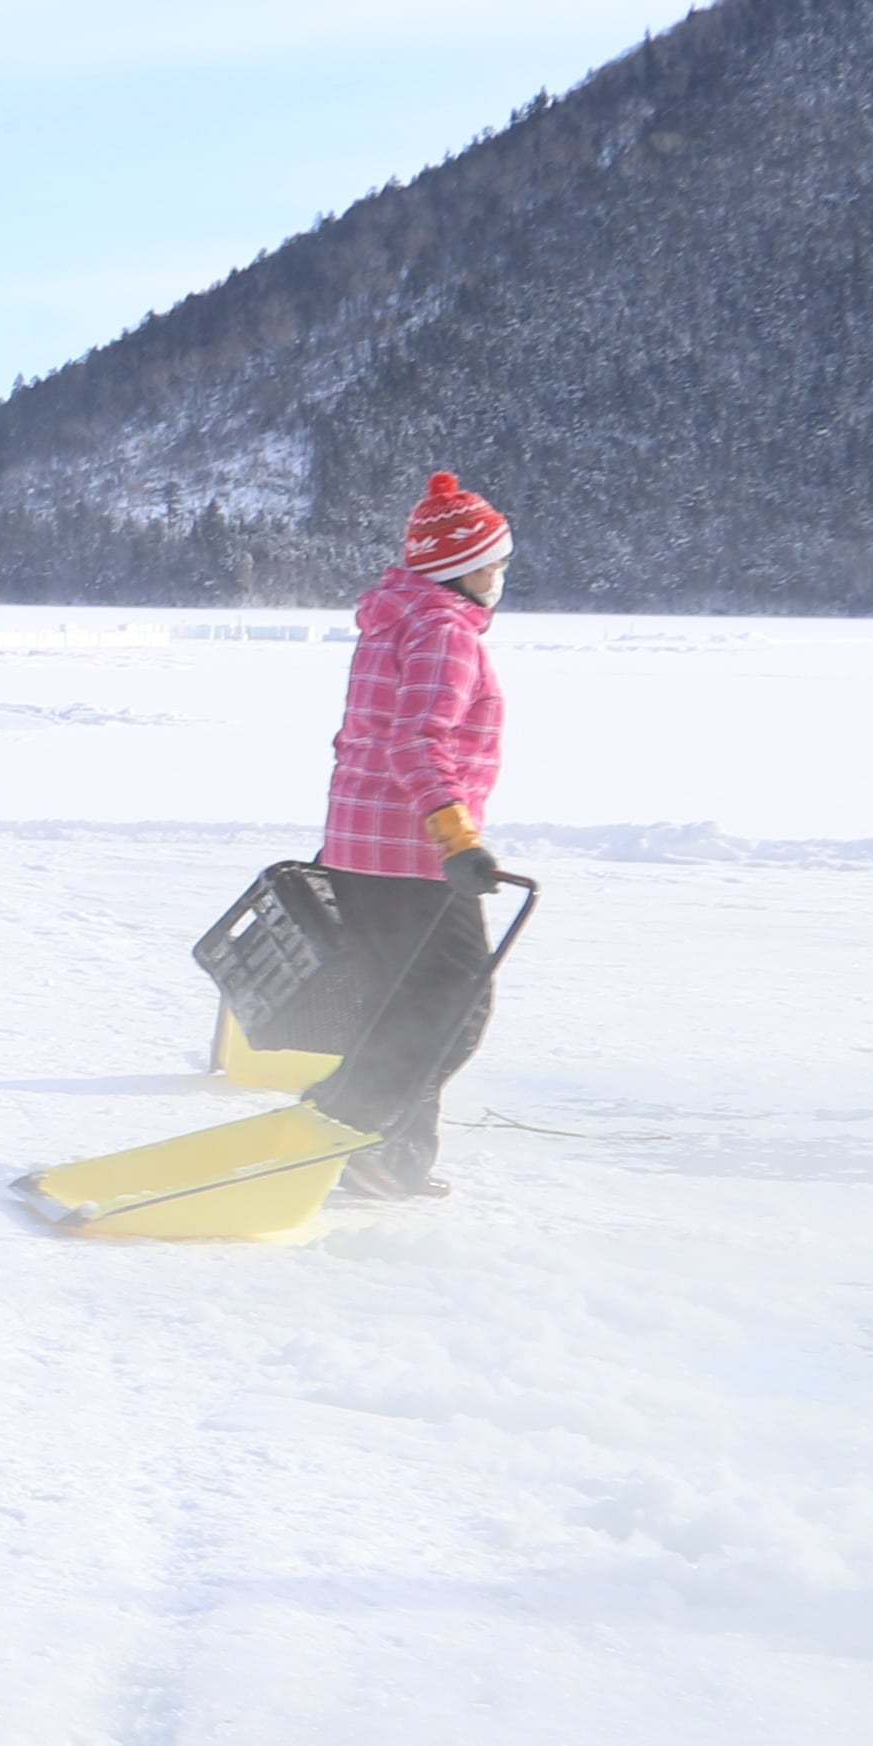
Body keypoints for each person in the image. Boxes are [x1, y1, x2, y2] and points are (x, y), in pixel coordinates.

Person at [318, 469, 518, 1199]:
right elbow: (417, 744)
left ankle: (394, 1156)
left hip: (363, 846)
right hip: (413, 854)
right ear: (464, 567)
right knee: (455, 1005)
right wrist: (457, 837)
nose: (501, 574)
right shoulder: (442, 631)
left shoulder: (394, 619)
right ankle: (350, 1127)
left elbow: (361, 739)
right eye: (495, 561)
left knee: (394, 1002)